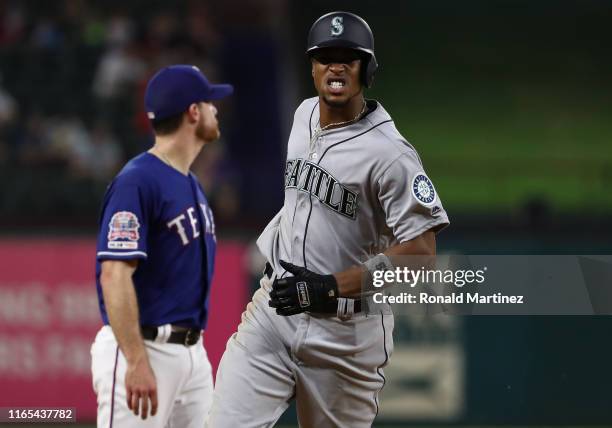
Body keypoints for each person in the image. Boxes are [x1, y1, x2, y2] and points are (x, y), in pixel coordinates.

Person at [206, 11, 450, 428]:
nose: (335, 65)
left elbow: (422, 254)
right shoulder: (302, 116)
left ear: (367, 69)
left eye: (348, 57)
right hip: (275, 310)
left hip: (346, 334)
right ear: (312, 66)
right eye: (325, 56)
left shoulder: (391, 154)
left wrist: (328, 285)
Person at [90, 64, 233, 427]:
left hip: (192, 355)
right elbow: (114, 275)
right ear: (193, 112)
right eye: (210, 102)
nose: (217, 109)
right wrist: (136, 360)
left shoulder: (190, 183)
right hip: (144, 348)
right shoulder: (137, 181)